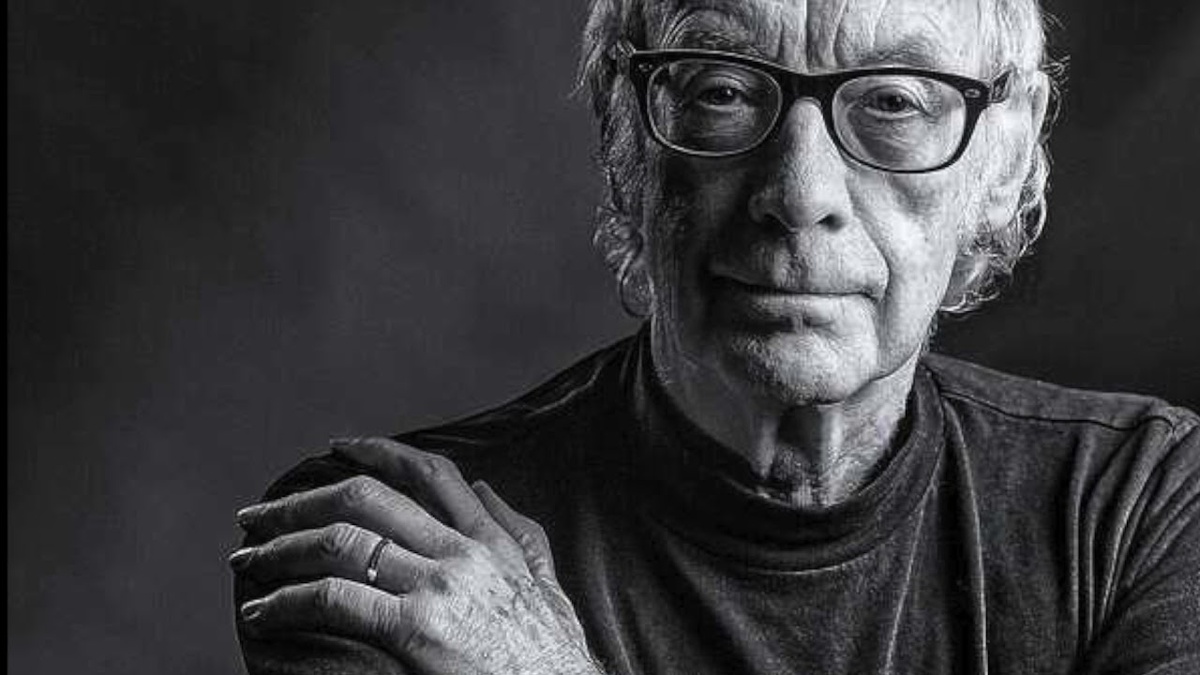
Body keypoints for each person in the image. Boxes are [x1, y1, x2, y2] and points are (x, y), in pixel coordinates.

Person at [230, 0, 1200, 672]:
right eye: (723, 91)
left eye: (894, 101)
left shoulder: (1140, 502)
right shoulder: (398, 548)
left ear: (1007, 154)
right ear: (624, 129)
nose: (800, 194)